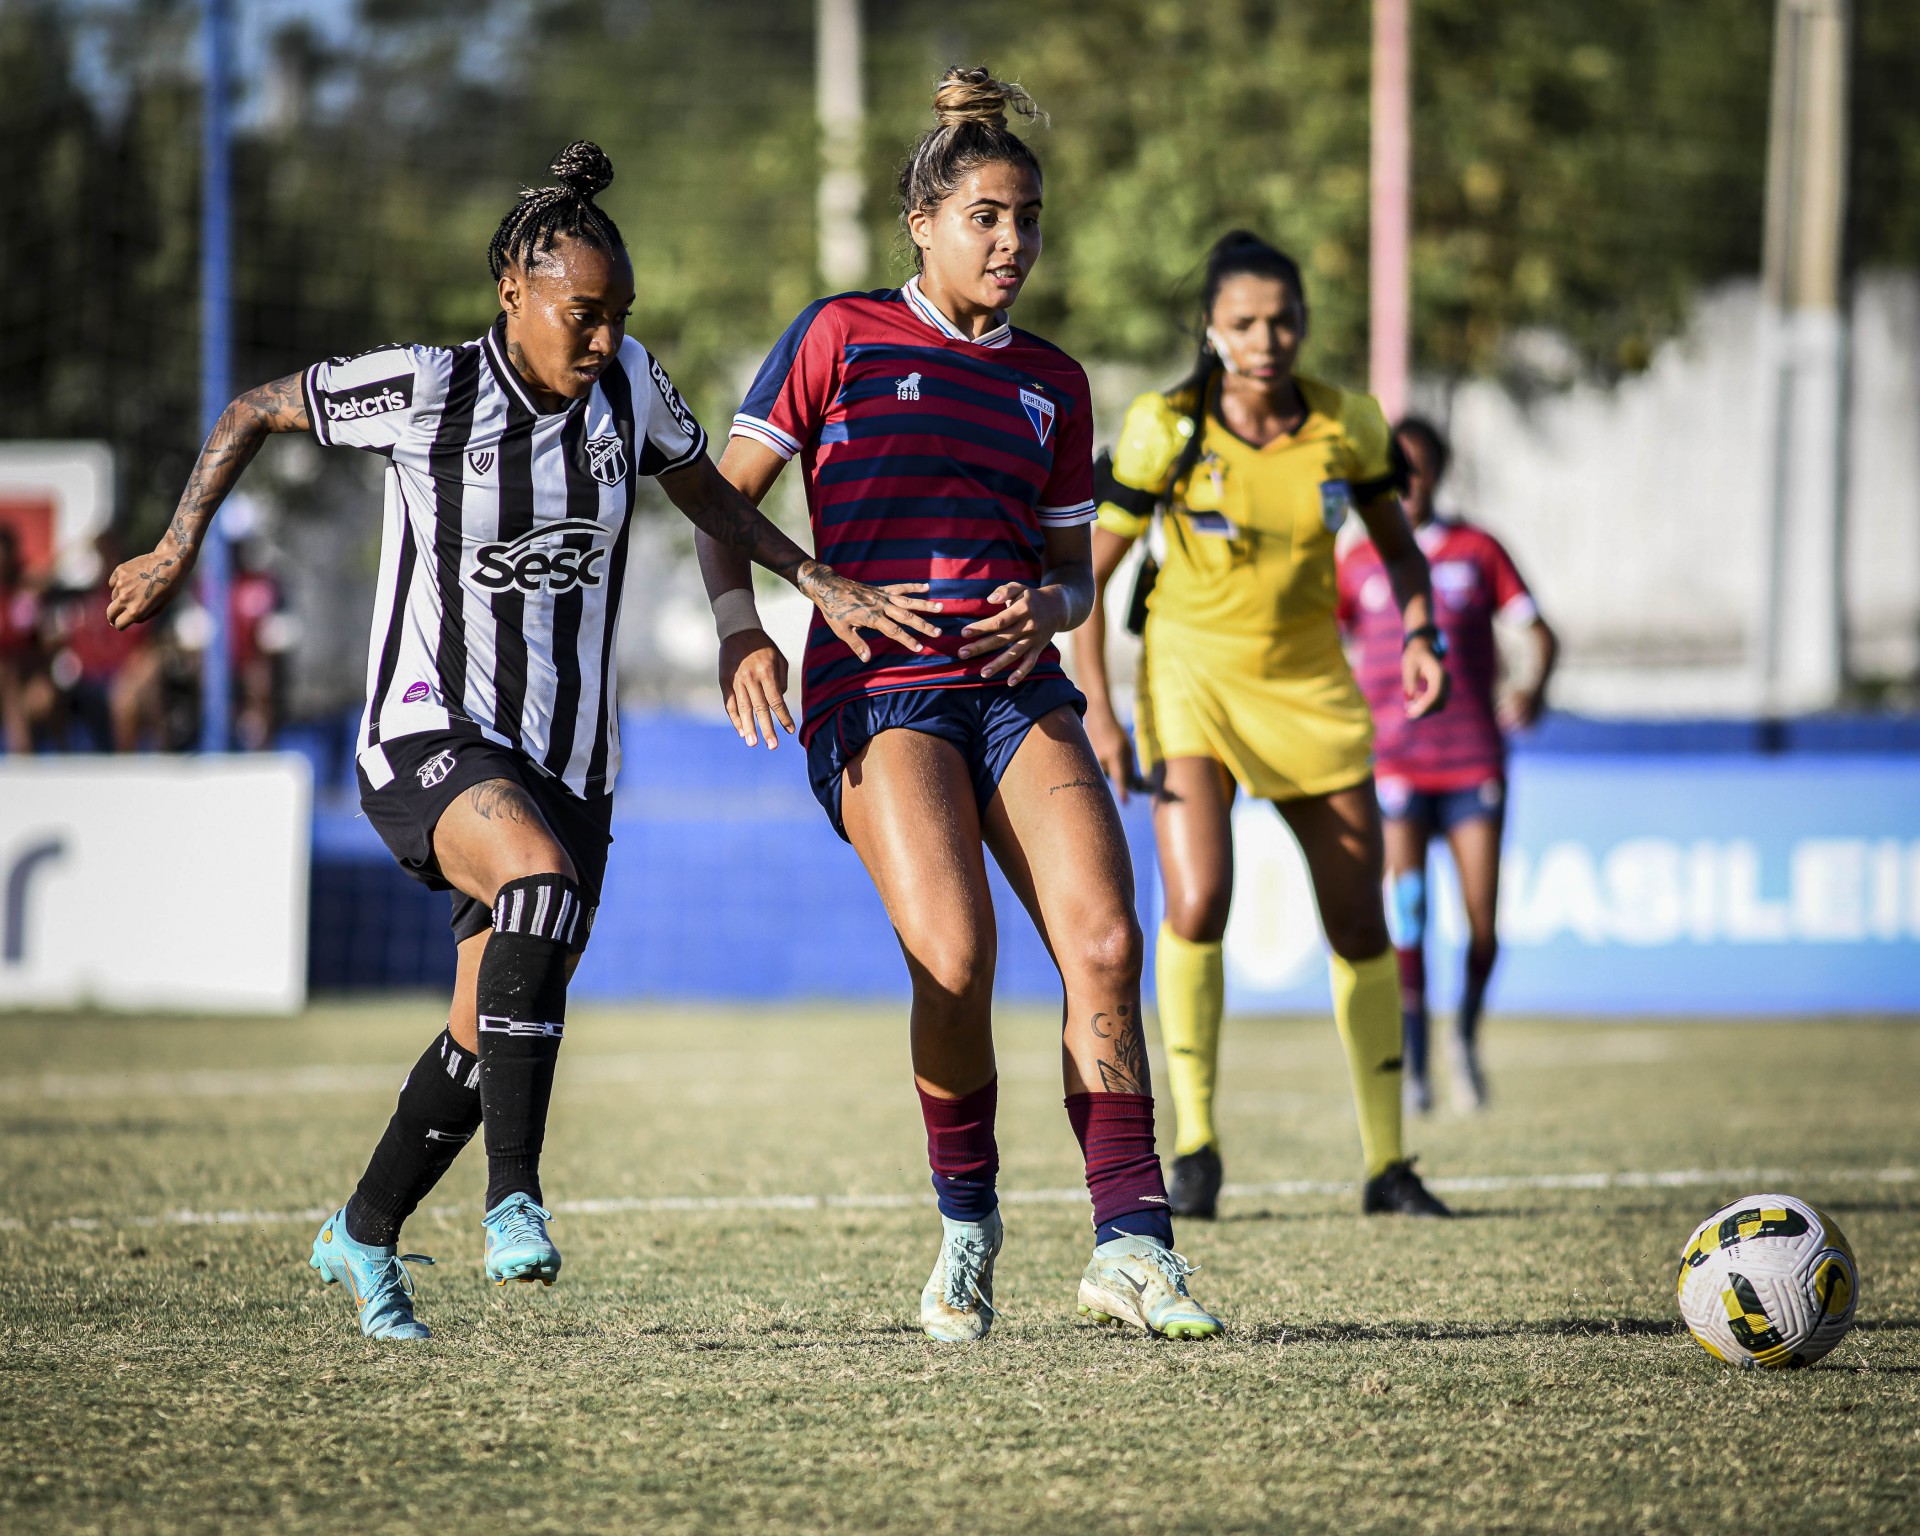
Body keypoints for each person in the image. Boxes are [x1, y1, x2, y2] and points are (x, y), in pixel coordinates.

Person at [106, 142, 921, 1342]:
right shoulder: (427, 386)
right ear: (514, 293)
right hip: (428, 730)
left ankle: (363, 1234)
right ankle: (517, 1201)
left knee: (487, 1021)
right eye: (581, 315)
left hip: (569, 760)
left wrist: (805, 579)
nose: (601, 340)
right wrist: (177, 546)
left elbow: (708, 494)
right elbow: (253, 409)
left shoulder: (631, 386)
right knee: (535, 893)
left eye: (616, 318)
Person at [697, 68, 1222, 1343]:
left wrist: (1046, 611)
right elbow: (719, 493)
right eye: (987, 215)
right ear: (923, 223)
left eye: (1028, 219)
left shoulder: (1054, 380)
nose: (1013, 242)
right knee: (958, 957)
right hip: (876, 695)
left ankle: (1133, 1247)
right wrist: (744, 628)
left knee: (1105, 944)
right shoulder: (840, 336)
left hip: (1015, 691)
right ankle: (968, 1225)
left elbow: (1068, 580)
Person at [1072, 230, 1454, 1222]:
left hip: (1313, 693)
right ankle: (1194, 1149)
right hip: (1190, 683)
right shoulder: (1166, 428)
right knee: (1198, 901)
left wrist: (1421, 635)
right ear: (1210, 328)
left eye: (1283, 319)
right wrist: (1099, 712)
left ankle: (1388, 1163)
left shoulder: (1349, 425)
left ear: (1304, 325)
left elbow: (1403, 556)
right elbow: (1083, 582)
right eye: (1243, 321)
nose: (1266, 337)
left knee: (1359, 917)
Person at [1336, 416, 1557, 1112]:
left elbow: (1539, 633)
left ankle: (1463, 1033)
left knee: (1481, 922)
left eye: (1418, 466)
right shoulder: (1358, 559)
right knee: (1409, 914)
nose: (1407, 481)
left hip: (1470, 763)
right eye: (1393, 468)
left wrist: (1530, 686)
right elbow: (1324, 642)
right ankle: (1417, 1061)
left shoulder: (1476, 550)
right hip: (1395, 763)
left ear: (1439, 471)